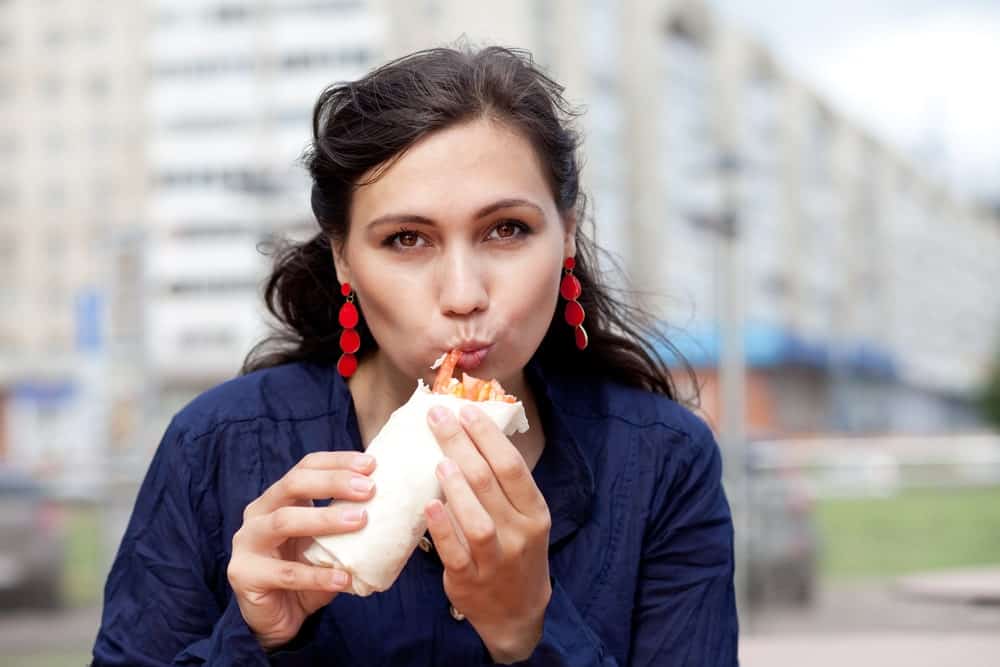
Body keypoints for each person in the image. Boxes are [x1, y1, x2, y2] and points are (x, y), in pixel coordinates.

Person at [92, 45, 738, 666]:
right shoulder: (218, 445)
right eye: (406, 239)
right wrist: (257, 637)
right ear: (343, 256)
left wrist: (527, 631)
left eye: (507, 229)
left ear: (566, 232)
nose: (463, 295)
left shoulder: (661, 461)